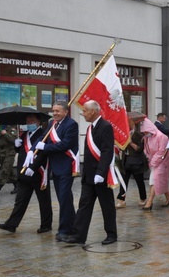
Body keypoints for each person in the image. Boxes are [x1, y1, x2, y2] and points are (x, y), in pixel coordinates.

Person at [61, 101, 118, 245]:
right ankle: (78, 236)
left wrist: (101, 172)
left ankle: (111, 234)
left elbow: (107, 151)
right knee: (84, 206)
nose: (83, 113)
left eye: (85, 111)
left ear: (93, 111)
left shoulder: (105, 127)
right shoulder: (90, 128)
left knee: (107, 206)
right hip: (89, 176)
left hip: (100, 176)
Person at [0, 114, 53, 234]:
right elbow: (22, 151)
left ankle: (46, 225)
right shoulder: (25, 134)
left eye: (32, 120)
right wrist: (16, 145)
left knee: (44, 201)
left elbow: (42, 154)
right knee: (20, 201)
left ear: (38, 121)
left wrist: (33, 167)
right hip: (24, 174)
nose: (29, 122)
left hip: (38, 173)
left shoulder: (43, 134)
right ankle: (11, 224)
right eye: (27, 121)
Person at [35, 101, 79, 242]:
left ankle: (64, 230)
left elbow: (65, 144)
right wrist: (36, 146)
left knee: (65, 197)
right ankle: (72, 225)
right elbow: (44, 138)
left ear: (65, 112)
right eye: (53, 110)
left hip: (66, 166)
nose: (54, 113)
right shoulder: (52, 123)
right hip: (55, 166)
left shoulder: (71, 124)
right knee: (63, 198)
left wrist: (45, 148)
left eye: (58, 111)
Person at [140, 118, 169, 210]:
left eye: (146, 131)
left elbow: (162, 151)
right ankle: (168, 198)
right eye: (144, 132)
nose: (146, 133)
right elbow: (146, 150)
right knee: (161, 181)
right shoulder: (147, 137)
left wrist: (153, 162)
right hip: (153, 162)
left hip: (162, 162)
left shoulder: (162, 137)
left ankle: (149, 201)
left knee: (154, 180)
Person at [116, 118, 148, 209]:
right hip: (126, 161)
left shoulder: (139, 135)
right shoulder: (124, 134)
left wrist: (131, 143)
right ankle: (121, 200)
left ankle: (143, 198)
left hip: (136, 162)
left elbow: (139, 149)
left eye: (128, 123)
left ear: (132, 123)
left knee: (139, 181)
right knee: (123, 181)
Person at [0, 124, 18, 196]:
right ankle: (17, 186)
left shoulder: (12, 130)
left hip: (10, 153)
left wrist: (5, 134)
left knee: (5, 170)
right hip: (1, 153)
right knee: (9, 170)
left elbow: (13, 141)